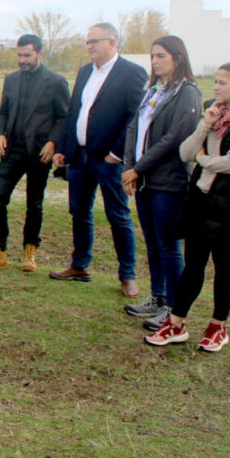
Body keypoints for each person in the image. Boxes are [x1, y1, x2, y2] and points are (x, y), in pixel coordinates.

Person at [145, 60, 230, 353]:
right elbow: (185, 152)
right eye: (215, 82)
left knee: (225, 268)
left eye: (222, 83)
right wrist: (205, 125)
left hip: (228, 206)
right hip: (200, 202)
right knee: (193, 265)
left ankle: (218, 327)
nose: (215, 87)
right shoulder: (214, 111)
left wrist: (203, 160)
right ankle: (177, 323)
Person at [50, 23, 148, 296]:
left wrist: (117, 153)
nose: (90, 46)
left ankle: (127, 274)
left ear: (112, 42)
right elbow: (74, 114)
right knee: (79, 212)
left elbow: (135, 118)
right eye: (88, 42)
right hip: (80, 157)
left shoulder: (132, 73)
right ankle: (80, 265)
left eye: (95, 41)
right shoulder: (84, 72)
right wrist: (64, 148)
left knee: (118, 215)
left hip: (110, 160)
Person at [121, 36, 201, 329]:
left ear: (177, 58)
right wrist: (129, 168)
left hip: (167, 180)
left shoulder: (187, 92)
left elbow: (175, 138)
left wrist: (138, 169)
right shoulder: (152, 92)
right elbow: (134, 128)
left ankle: (173, 307)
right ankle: (158, 296)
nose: (154, 61)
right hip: (143, 180)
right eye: (152, 56)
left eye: (161, 56)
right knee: (153, 242)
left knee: (168, 245)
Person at [0, 34, 70, 272]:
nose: (22, 59)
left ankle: (30, 252)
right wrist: (0, 134)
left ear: (39, 53)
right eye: (19, 55)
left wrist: (53, 142)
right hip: (12, 150)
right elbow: (3, 112)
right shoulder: (12, 79)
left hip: (40, 152)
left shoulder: (55, 81)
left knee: (34, 204)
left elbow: (64, 117)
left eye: (27, 55)